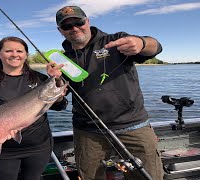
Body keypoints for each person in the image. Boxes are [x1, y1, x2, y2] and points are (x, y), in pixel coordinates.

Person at [46, 6, 163, 180]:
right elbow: (60, 102)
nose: (75, 28)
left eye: (78, 22)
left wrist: (141, 43)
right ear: (60, 31)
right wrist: (55, 83)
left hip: (133, 125)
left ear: (87, 21)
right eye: (67, 26)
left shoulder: (116, 41)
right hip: (87, 130)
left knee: (149, 177)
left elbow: (156, 47)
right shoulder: (62, 60)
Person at [0, 36, 68, 180]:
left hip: (39, 147)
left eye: (19, 51)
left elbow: (61, 105)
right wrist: (4, 126)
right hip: (3, 148)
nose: (15, 54)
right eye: (8, 51)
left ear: (26, 55)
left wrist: (57, 81)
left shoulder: (40, 79)